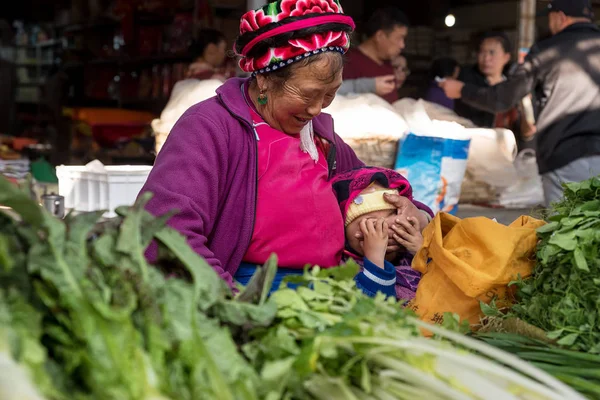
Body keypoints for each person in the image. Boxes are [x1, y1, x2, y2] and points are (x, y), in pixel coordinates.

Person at [140, 0, 433, 289]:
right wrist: (235, 306)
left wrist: (414, 212)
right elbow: (164, 230)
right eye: (308, 95)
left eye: (330, 95)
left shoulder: (318, 135)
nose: (318, 109)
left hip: (331, 290)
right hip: (249, 294)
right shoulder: (210, 127)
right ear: (265, 80)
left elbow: (366, 180)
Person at [440, 0, 600, 206]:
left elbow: (503, 97)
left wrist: (461, 89)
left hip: (564, 157)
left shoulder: (547, 50)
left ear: (560, 17)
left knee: (566, 229)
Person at [332, 167, 424, 301]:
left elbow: (447, 285)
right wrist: (375, 259)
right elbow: (373, 308)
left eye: (393, 214)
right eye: (370, 222)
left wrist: (422, 251)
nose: (385, 227)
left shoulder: (410, 252)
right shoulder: (344, 270)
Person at [343, 7, 409, 103]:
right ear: (380, 36)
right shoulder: (348, 61)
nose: (402, 45)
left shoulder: (388, 62)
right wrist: (369, 86)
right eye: (399, 38)